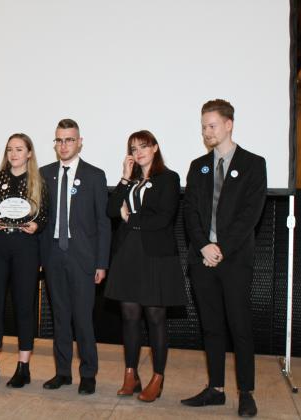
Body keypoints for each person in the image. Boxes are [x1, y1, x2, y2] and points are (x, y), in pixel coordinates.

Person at [181, 99, 266, 417]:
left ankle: (246, 392)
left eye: (212, 125)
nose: (207, 131)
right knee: (211, 327)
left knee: (239, 326)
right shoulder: (198, 166)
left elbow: (250, 214)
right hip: (202, 259)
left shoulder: (254, 164)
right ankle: (215, 388)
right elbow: (190, 212)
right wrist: (204, 246)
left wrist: (221, 248)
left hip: (234, 260)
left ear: (229, 124)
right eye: (203, 126)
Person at [104, 130, 187, 402]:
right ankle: (131, 374)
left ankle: (158, 377)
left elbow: (164, 218)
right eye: (133, 148)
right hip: (128, 254)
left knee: (155, 317)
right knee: (129, 315)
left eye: (143, 146)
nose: (138, 152)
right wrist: (125, 178)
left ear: (155, 147)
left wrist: (132, 218)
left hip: (156, 256)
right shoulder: (132, 181)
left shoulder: (169, 178)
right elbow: (111, 209)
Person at [40, 118, 111, 395]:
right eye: (59, 140)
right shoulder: (44, 174)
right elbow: (41, 218)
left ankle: (89, 373)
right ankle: (62, 372)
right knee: (59, 317)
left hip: (83, 258)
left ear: (79, 142)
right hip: (53, 254)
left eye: (69, 140)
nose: (64, 145)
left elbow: (103, 224)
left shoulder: (95, 175)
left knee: (82, 318)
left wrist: (102, 262)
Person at [0, 133, 48, 388]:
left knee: (23, 308)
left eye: (19, 149)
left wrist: (36, 225)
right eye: (10, 149)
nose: (14, 154)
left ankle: (23, 367)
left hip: (25, 248)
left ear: (29, 153)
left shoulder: (38, 181)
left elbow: (45, 215)